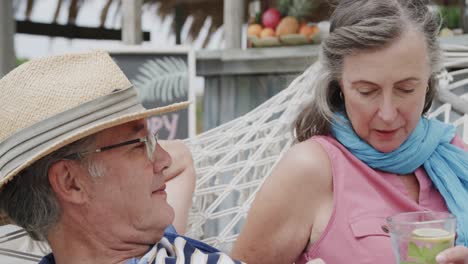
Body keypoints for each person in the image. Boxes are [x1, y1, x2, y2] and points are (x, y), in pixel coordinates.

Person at [231, 0, 468, 263]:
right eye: (367, 91)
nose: (387, 114)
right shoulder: (311, 170)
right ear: (340, 85)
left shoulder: (457, 157)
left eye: (406, 89)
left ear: (428, 82)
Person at [0, 51, 241, 264]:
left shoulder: (147, 232)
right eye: (139, 145)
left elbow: (180, 158)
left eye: (153, 140)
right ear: (70, 182)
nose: (164, 159)